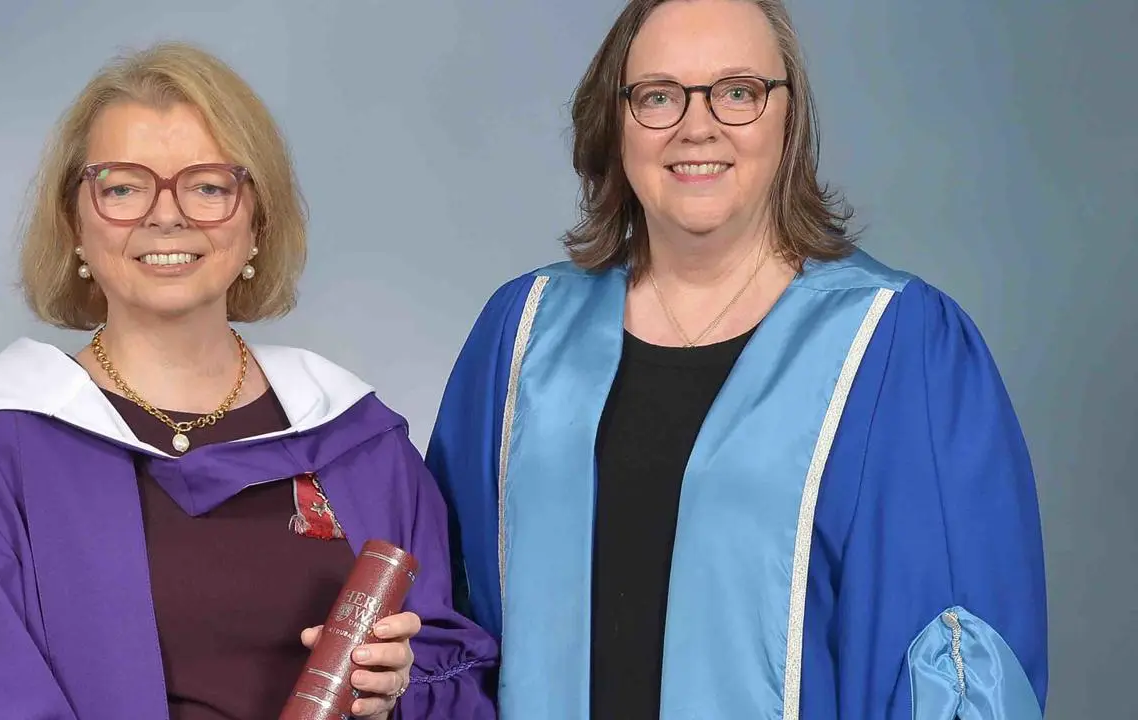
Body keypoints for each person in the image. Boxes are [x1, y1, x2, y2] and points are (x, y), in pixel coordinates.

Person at [426, 0, 1047, 717]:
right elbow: (448, 619)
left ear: (788, 118)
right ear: (617, 120)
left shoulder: (898, 345)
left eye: (738, 92)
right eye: (659, 95)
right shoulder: (525, 334)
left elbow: (957, 665)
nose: (698, 124)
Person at [0, 41, 497, 719]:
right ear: (74, 225)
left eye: (207, 186)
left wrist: (397, 693)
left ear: (258, 220)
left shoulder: (360, 446)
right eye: (122, 187)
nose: (165, 215)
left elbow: (450, 672)